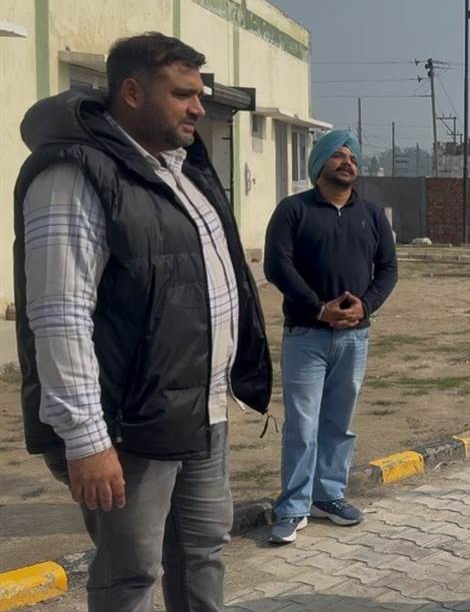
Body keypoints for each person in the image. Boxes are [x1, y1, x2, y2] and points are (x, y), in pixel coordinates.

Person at [14, 31, 272, 611]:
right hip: (128, 429)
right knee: (131, 574)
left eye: (199, 94)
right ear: (131, 92)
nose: (198, 108)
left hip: (200, 413)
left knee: (204, 553)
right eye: (182, 94)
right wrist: (86, 440)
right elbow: (58, 315)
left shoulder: (183, 171)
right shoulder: (74, 174)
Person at [264, 129, 398, 544]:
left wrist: (366, 306)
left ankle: (328, 495)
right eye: (338, 155)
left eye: (353, 157)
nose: (347, 163)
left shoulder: (371, 215)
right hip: (306, 335)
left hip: (355, 339)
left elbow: (388, 269)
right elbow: (277, 266)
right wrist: (317, 307)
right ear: (320, 163)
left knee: (339, 422)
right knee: (302, 425)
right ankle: (293, 507)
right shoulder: (294, 211)